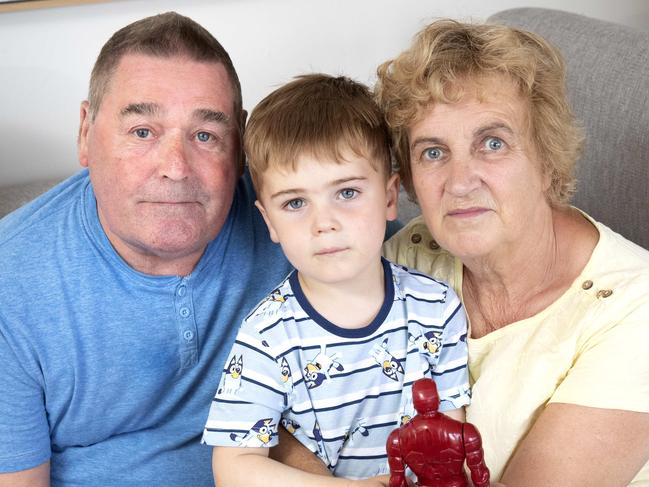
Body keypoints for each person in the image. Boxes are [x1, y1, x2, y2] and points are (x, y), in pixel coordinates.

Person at [0, 12, 295, 487]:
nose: (176, 168)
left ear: (240, 143)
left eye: (205, 135)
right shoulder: (9, 286)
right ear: (85, 131)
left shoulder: (295, 217)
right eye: (143, 132)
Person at [376, 19, 649, 485]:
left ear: (547, 160)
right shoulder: (410, 256)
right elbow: (302, 420)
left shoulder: (634, 311)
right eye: (433, 152)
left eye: (493, 143)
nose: (460, 182)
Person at [201, 74, 471, 487]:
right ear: (269, 221)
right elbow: (234, 467)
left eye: (346, 193)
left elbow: (454, 446)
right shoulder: (267, 335)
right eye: (295, 202)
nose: (322, 223)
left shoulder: (437, 307)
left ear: (388, 197)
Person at [386, 378, 490, 487]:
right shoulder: (466, 432)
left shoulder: (397, 439)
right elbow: (480, 475)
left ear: (414, 404)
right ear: (438, 399)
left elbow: (397, 481)